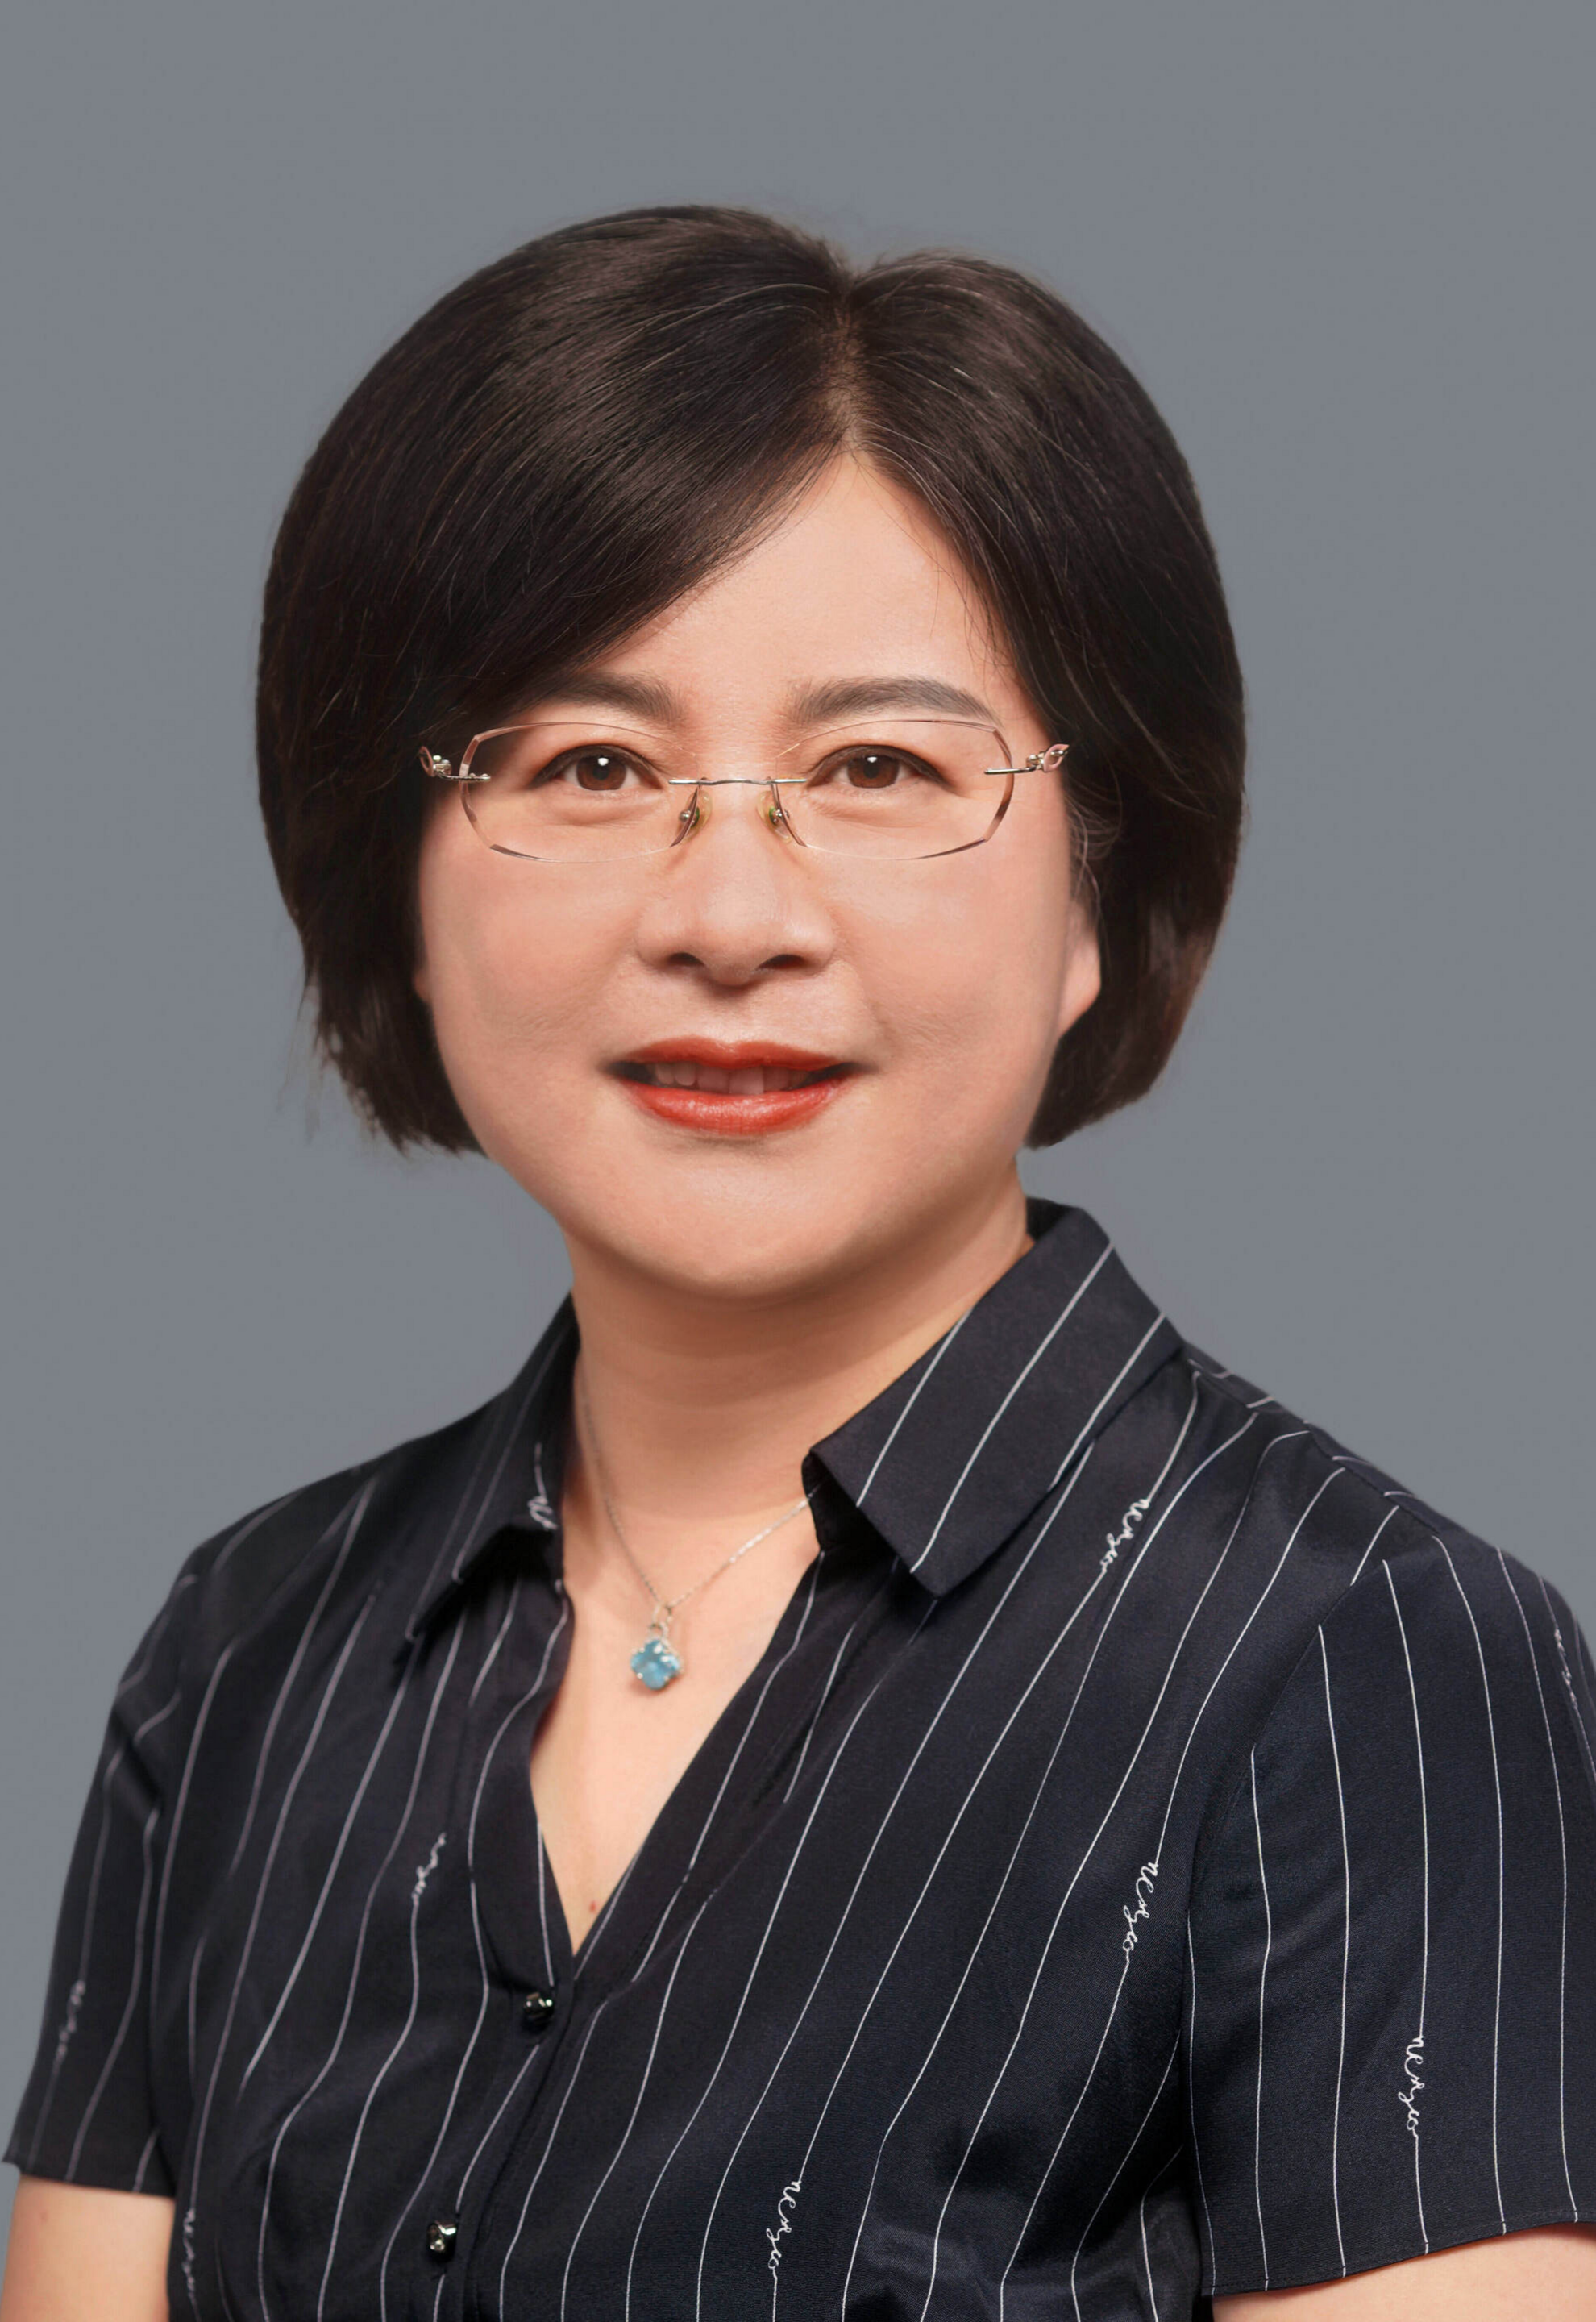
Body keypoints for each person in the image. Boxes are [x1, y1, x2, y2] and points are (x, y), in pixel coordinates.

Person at [2, 206, 1592, 2322]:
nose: (730, 916)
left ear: (1100, 890)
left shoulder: (1359, 1661)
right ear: (392, 884)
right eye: (589, 765)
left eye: (878, 769)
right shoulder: (245, 1656)